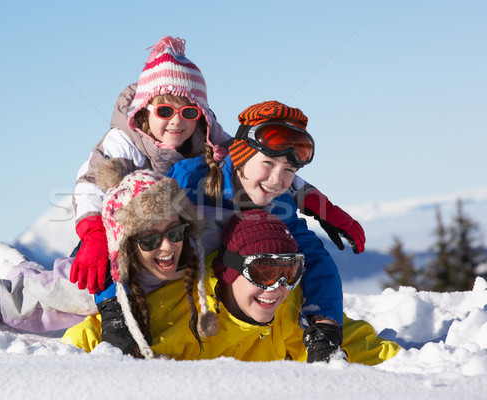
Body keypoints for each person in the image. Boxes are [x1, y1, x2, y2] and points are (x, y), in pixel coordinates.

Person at [70, 37, 365, 296]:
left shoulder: (209, 138)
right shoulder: (125, 140)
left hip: (176, 235)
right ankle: (111, 309)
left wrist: (318, 203)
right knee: (102, 259)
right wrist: (94, 233)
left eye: (188, 111)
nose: (177, 121)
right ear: (145, 109)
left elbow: (262, 166)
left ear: (201, 114)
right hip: (124, 228)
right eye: (164, 111)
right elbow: (90, 183)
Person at [0, 161, 217, 359]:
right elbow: (4, 297)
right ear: (124, 243)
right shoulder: (91, 286)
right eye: (148, 238)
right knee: (34, 285)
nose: (166, 247)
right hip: (41, 285)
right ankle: (8, 263)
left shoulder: (191, 258)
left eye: (175, 232)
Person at [63, 209, 400, 365]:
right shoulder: (172, 307)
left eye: (290, 271)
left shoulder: (290, 311)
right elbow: (79, 348)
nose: (278, 287)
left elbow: (366, 348)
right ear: (227, 272)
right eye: (264, 271)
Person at [166, 100, 350, 361]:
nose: (277, 180)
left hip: (247, 314)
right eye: (268, 163)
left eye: (289, 170)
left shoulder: (279, 203)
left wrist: (325, 324)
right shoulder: (191, 180)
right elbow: (139, 236)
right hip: (179, 310)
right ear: (242, 155)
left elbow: (312, 256)